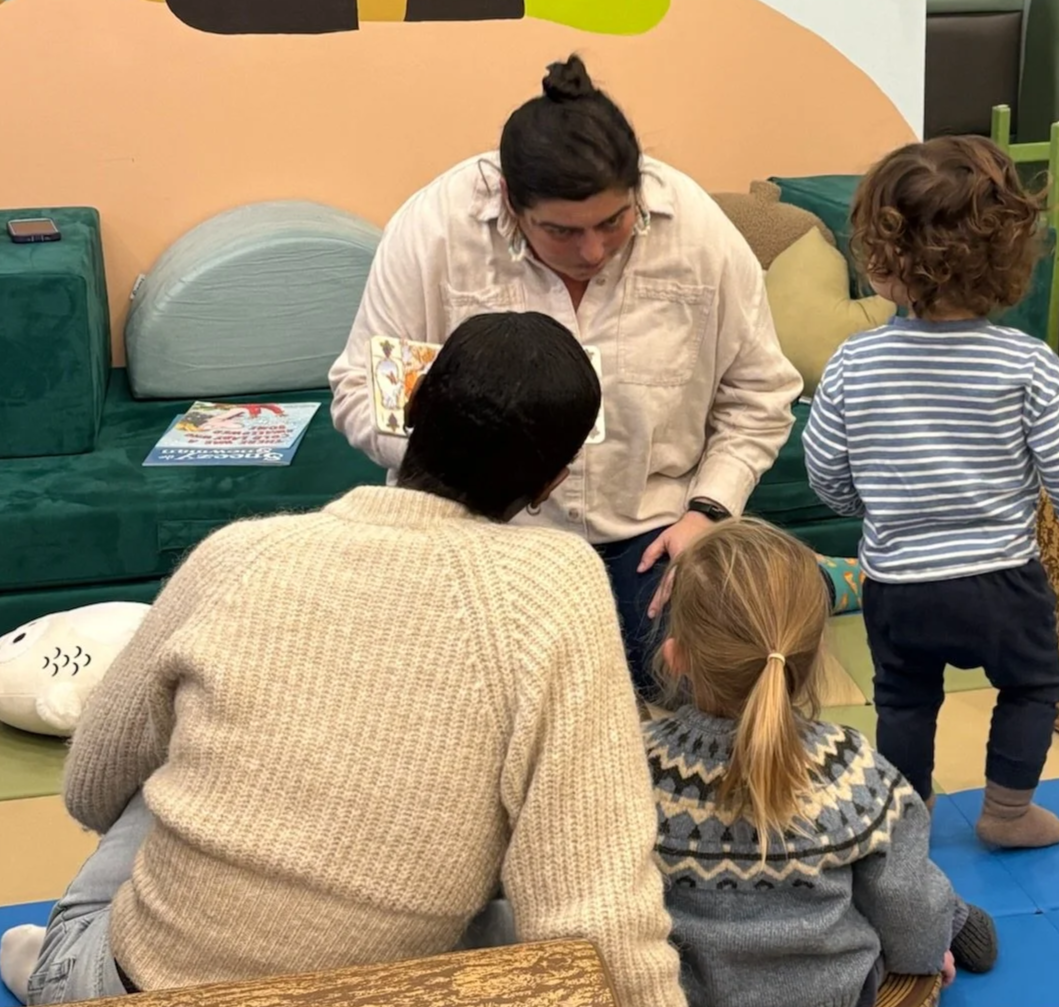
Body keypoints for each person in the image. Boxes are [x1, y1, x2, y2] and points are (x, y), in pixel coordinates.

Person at [1, 313, 688, 1007]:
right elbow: (599, 909)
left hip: (128, 1002)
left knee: (157, 761)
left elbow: (91, 787)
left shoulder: (238, 553)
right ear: (553, 480)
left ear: (411, 406)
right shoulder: (557, 586)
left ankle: (49, 970)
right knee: (512, 890)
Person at [330, 55, 802, 691]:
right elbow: (361, 394)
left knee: (718, 677)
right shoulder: (434, 229)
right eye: (561, 231)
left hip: (652, 525)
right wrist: (477, 470)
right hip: (482, 525)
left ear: (638, 189)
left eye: (613, 222)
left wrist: (708, 513)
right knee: (463, 694)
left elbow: (760, 391)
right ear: (510, 202)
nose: (593, 251)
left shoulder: (697, 232)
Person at [804, 136, 1059, 849]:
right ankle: (1007, 811)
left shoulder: (854, 362)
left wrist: (871, 509)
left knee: (904, 700)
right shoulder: (1029, 366)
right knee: (1033, 685)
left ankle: (907, 817)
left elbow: (825, 471)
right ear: (1011, 259)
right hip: (1001, 582)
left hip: (898, 584)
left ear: (881, 260)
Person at [644, 519, 997, 1007]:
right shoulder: (848, 768)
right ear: (810, 660)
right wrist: (929, 951)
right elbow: (902, 900)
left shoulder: (635, 764)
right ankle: (958, 917)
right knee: (896, 877)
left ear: (675, 659)